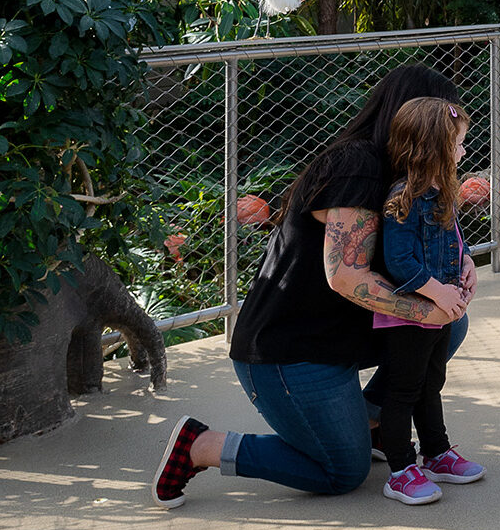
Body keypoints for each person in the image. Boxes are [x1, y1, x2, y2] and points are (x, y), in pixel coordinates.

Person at [154, 64, 475, 506]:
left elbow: (426, 235)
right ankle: (201, 445)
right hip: (291, 348)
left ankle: (378, 425)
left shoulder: (413, 177)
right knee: (343, 470)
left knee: (449, 327)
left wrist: (465, 262)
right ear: (412, 118)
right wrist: (429, 308)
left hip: (342, 333)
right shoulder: (356, 167)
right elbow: (345, 275)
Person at [373, 97, 486, 505]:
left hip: (441, 312)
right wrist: (438, 292)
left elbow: (452, 235)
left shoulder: (442, 191)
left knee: (431, 384)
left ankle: (436, 452)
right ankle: (401, 469)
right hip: (412, 314)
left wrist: (468, 260)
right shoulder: (405, 197)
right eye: (457, 144)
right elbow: (398, 260)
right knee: (403, 389)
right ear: (434, 147)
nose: (463, 152)